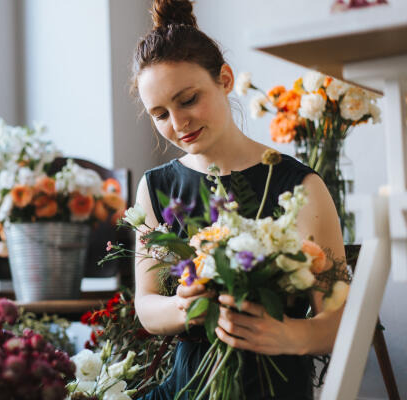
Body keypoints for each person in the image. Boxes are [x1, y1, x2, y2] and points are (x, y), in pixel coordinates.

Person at [131, 1, 349, 399]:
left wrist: (287, 335)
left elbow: (340, 320)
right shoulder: (156, 187)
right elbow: (145, 307)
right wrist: (183, 305)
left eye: (188, 99)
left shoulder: (300, 185)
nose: (178, 124)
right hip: (186, 389)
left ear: (225, 79)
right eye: (160, 114)